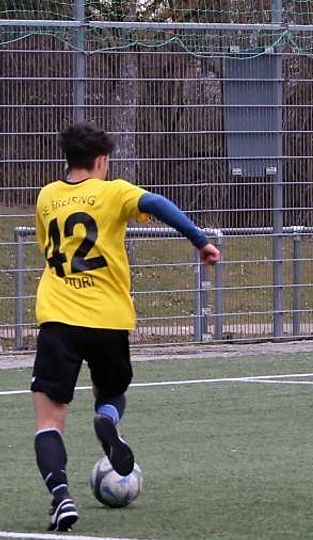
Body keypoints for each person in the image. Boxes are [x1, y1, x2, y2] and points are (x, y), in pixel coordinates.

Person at [32, 122, 220, 531]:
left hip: (59, 318)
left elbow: (47, 250)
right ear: (102, 160)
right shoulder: (114, 191)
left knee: (50, 421)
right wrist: (199, 239)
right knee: (112, 393)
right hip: (108, 318)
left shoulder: (47, 196)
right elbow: (157, 203)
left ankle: (61, 497)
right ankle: (107, 419)